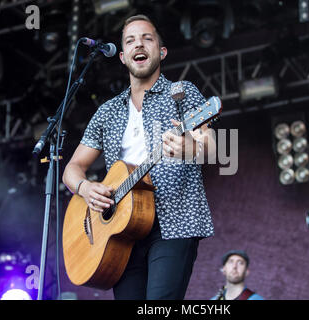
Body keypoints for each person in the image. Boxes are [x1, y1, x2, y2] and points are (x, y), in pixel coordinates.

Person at [62, 14, 216, 300]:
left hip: (174, 220)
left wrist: (189, 149)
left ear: (162, 51)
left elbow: (211, 146)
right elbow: (72, 168)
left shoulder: (181, 93)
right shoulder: (107, 112)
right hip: (122, 231)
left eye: (147, 38)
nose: (139, 44)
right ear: (122, 57)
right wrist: (85, 188)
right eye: (130, 40)